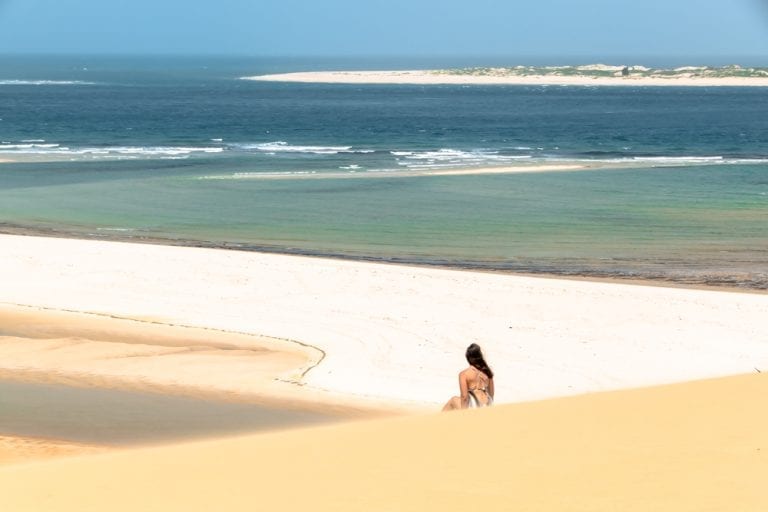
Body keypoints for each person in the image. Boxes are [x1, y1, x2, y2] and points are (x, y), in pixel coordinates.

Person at [442, 343, 494, 411]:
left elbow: (464, 397)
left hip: (474, 405)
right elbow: (491, 395)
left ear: (468, 358)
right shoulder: (488, 372)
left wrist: (464, 414)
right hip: (487, 405)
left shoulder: (464, 374)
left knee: (453, 400)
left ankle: (436, 420)